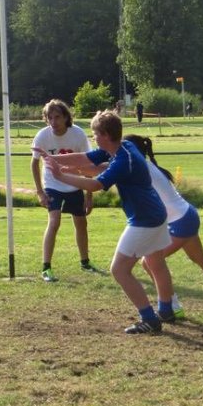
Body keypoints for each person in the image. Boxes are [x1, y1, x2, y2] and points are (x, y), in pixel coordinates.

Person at [35, 110, 175, 334]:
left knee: (119, 270)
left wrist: (61, 176)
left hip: (144, 220)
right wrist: (51, 159)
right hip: (155, 214)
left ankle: (150, 319)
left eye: (95, 134)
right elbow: (86, 159)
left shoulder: (122, 159)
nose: (93, 138)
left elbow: (95, 185)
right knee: (156, 264)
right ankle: (167, 310)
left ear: (107, 135)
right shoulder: (122, 148)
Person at [124, 135, 203, 318]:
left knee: (149, 262)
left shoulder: (140, 170)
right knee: (199, 257)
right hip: (187, 215)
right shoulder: (148, 167)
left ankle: (172, 305)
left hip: (180, 221)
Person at [30, 99, 96, 282]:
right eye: (49, 117)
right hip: (52, 184)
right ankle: (46, 268)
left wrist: (88, 196)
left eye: (57, 117)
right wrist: (40, 191)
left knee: (81, 223)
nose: (53, 122)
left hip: (74, 183)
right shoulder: (42, 136)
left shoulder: (78, 135)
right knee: (54, 221)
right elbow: (34, 163)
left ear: (66, 117)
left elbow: (88, 163)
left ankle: (85, 262)